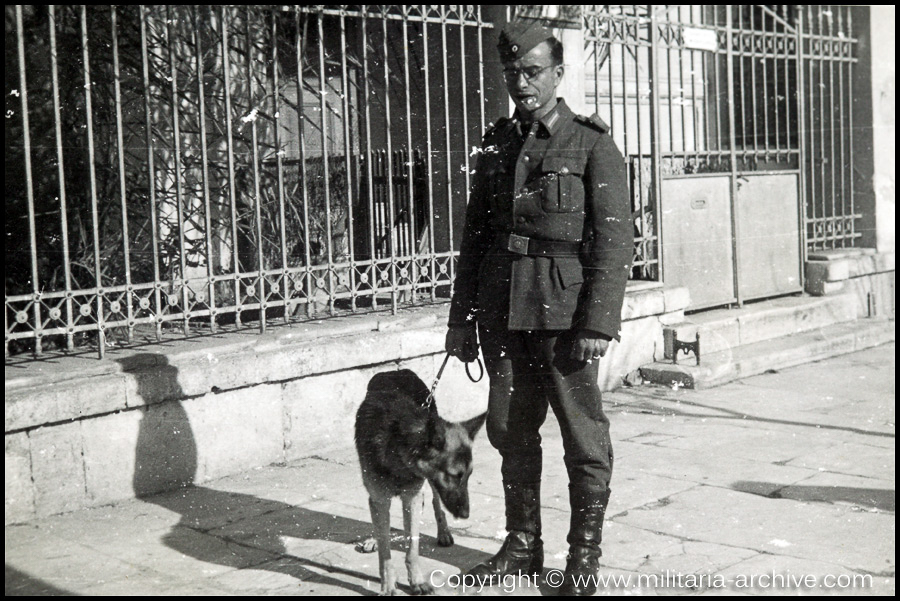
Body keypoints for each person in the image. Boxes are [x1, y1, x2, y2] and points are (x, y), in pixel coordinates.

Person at [444, 20, 633, 596]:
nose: (521, 83)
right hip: (504, 308)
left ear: (557, 73)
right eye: (512, 73)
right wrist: (461, 320)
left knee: (582, 436)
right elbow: (476, 237)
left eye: (531, 72)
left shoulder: (591, 143)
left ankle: (584, 555)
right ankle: (523, 543)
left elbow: (615, 239)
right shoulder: (498, 142)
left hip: (566, 313)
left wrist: (599, 321)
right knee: (506, 429)